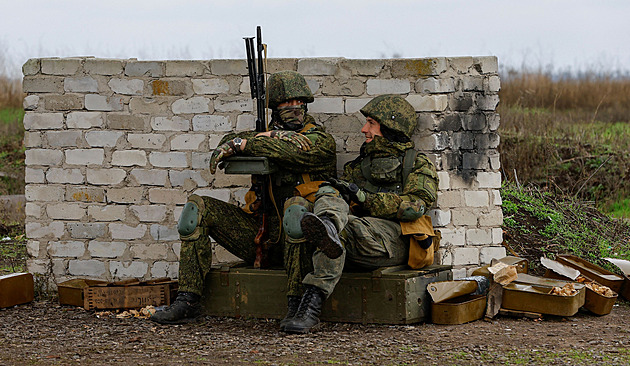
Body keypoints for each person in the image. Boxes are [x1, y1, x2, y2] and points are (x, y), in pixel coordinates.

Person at [151, 71, 337, 324]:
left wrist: (252, 142)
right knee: (197, 209)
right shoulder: (262, 135)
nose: (294, 108)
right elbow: (227, 142)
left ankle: (297, 306)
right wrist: (262, 137)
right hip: (264, 237)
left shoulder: (320, 140)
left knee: (297, 210)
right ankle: (188, 299)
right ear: (273, 107)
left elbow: (289, 149)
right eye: (286, 103)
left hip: (303, 242)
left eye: (299, 103)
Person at [281, 94, 439, 333]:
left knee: (344, 229)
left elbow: (416, 206)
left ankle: (310, 308)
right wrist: (335, 192)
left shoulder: (416, 163)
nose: (364, 129)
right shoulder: (358, 166)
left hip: (394, 239)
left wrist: (364, 198)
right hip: (357, 232)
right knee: (327, 194)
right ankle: (328, 226)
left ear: (390, 126)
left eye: (371, 123)